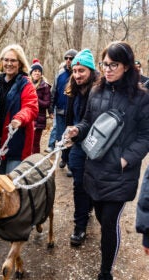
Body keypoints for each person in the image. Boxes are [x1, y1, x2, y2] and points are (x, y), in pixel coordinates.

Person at [65, 41, 149, 280]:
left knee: (110, 222)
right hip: (95, 167)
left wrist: (125, 159)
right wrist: (76, 131)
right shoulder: (96, 91)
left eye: (114, 64)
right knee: (102, 218)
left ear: (127, 66)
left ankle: (105, 272)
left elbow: (145, 136)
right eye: (105, 64)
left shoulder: (141, 97)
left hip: (120, 173)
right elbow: (87, 123)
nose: (108, 69)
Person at [64, 49, 100, 246]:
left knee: (92, 184)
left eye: (82, 71)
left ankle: (90, 207)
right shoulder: (73, 90)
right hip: (78, 145)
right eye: (75, 71)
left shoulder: (100, 91)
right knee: (79, 185)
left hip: (96, 146)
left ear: (91, 71)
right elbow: (70, 118)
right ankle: (80, 226)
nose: (77, 75)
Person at [0, 44, 38, 174]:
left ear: (19, 63)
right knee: (1, 183)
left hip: (17, 142)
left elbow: (31, 107)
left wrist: (19, 118)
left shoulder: (25, 83)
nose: (9, 63)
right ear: (1, 62)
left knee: (13, 184)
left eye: (13, 60)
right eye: (6, 60)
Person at [50, 49, 77, 170]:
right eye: (66, 58)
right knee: (62, 137)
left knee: (72, 137)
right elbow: (54, 91)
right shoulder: (60, 74)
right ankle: (64, 158)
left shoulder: (78, 74)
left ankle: (71, 163)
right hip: (60, 112)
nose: (68, 60)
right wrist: (51, 108)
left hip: (74, 113)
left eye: (71, 58)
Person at [29, 58, 51, 154]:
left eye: (39, 71)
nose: (37, 73)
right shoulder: (27, 84)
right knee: (27, 142)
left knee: (35, 143)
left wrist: (35, 98)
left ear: (41, 74)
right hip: (28, 117)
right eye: (35, 71)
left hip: (39, 118)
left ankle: (35, 162)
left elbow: (47, 103)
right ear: (31, 73)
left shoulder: (45, 86)